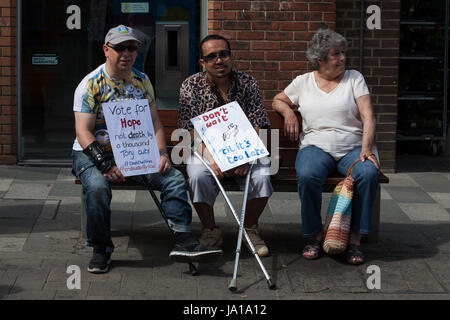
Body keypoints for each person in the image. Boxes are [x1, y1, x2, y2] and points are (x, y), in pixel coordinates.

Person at [72, 25, 222, 274]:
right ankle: (101, 248)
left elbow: (154, 123)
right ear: (106, 50)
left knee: (173, 178)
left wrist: (162, 154)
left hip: (134, 151)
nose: (127, 53)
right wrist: (104, 163)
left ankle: (184, 239)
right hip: (95, 153)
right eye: (120, 48)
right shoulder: (90, 85)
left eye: (132, 48)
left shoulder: (142, 81)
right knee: (97, 187)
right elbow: (83, 131)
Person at [272, 28, 379, 265]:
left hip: (353, 146)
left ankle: (354, 239)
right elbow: (277, 99)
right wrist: (289, 111)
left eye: (343, 53)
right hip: (315, 147)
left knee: (368, 173)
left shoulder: (354, 78)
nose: (342, 58)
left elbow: (368, 116)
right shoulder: (303, 82)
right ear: (319, 60)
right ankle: (315, 235)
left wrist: (366, 149)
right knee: (308, 174)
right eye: (335, 54)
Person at [178, 34, 273, 257]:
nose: (219, 60)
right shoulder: (190, 86)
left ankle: (249, 228)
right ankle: (210, 229)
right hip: (207, 149)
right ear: (202, 62)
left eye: (224, 54)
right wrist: (213, 157)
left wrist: (247, 156)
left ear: (230, 56)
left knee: (262, 175)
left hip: (245, 148)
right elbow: (188, 130)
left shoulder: (248, 82)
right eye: (211, 57)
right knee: (197, 176)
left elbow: (258, 122)